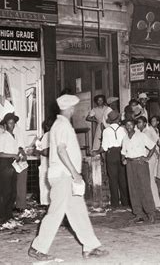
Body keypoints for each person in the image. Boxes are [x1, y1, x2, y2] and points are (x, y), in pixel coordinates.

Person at [29, 95, 108, 261]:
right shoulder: (63, 125)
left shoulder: (60, 125)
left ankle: (90, 246)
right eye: (74, 107)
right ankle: (38, 248)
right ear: (69, 108)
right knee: (56, 213)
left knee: (78, 212)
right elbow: (61, 151)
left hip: (64, 176)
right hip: (64, 176)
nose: (74, 110)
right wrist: (75, 173)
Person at [121, 119, 157, 224]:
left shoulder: (141, 136)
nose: (128, 127)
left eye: (131, 125)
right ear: (124, 127)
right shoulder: (125, 138)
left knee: (145, 188)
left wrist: (147, 158)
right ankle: (138, 214)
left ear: (134, 125)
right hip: (130, 164)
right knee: (133, 189)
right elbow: (123, 152)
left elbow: (153, 146)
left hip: (140, 163)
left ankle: (151, 213)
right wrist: (123, 159)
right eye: (127, 125)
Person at [93, 111, 129, 209]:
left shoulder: (106, 131)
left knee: (113, 179)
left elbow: (104, 148)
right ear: (118, 119)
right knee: (123, 179)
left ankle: (115, 203)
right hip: (121, 154)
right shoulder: (123, 130)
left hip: (111, 155)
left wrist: (96, 151)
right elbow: (126, 144)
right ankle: (125, 202)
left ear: (110, 120)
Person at [0, 113, 20, 223]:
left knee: (12, 192)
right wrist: (12, 155)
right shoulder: (3, 136)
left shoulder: (14, 136)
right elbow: (0, 153)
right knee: (5, 191)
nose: (12, 125)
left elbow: (14, 149)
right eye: (10, 123)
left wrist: (19, 154)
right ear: (5, 125)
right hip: (4, 164)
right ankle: (2, 216)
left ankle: (9, 214)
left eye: (13, 123)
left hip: (13, 164)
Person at [137, 116, 160, 211]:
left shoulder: (148, 131)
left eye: (140, 122)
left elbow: (154, 145)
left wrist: (153, 156)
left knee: (150, 180)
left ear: (144, 123)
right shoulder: (140, 133)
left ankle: (156, 204)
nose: (138, 124)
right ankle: (149, 202)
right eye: (137, 123)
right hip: (145, 157)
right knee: (146, 180)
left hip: (150, 158)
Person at [34, 119, 54, 206]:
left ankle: (46, 205)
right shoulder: (55, 135)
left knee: (45, 185)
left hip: (46, 165)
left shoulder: (47, 135)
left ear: (46, 127)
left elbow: (46, 152)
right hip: (53, 165)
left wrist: (38, 152)